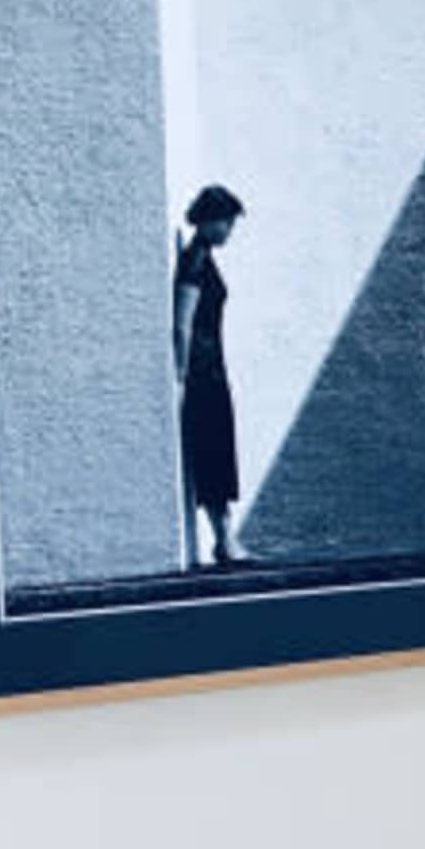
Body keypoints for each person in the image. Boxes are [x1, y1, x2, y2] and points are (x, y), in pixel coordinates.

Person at [172, 186, 245, 568]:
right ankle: (226, 542)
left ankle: (226, 539)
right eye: (227, 221)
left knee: (218, 453)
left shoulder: (203, 257)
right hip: (202, 374)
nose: (230, 228)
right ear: (209, 219)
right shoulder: (195, 261)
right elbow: (182, 325)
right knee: (213, 455)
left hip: (213, 370)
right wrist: (181, 376)